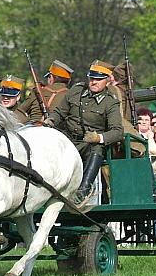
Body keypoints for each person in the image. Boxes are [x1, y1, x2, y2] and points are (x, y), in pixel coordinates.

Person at [48, 60, 124, 200]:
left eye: (98, 79)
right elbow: (59, 112)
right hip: (68, 139)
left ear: (107, 81)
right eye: (92, 78)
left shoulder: (110, 102)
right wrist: (50, 121)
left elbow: (118, 131)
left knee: (97, 148)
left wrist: (98, 138)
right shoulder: (77, 90)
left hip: (88, 144)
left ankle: (83, 190)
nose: (93, 82)